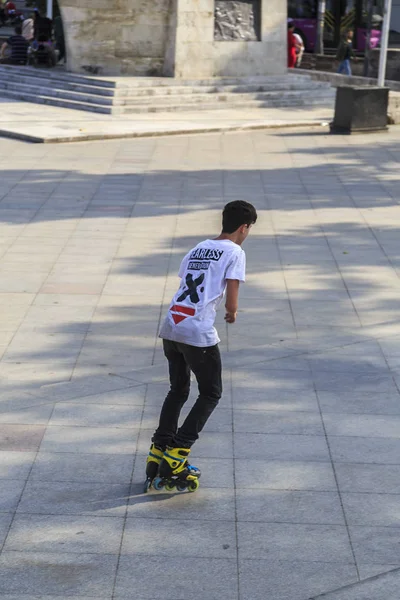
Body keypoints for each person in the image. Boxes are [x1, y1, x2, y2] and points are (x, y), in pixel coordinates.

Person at [144, 200, 258, 492]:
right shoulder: (235, 251)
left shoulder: (198, 247)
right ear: (244, 227)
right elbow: (232, 286)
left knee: (178, 390)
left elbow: (186, 281)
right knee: (210, 393)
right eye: (248, 230)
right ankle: (177, 456)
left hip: (171, 326)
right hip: (196, 331)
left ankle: (159, 450)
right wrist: (231, 311)